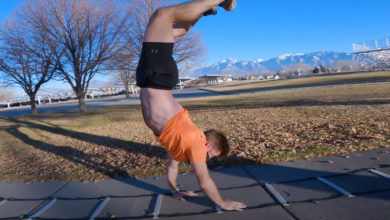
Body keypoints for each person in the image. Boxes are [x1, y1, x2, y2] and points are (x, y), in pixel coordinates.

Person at [136, 0, 246, 211]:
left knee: (172, 29)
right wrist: (222, 203)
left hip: (151, 78)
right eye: (212, 156)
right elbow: (203, 180)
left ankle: (206, 11)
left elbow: (171, 167)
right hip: (155, 77)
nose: (207, 160)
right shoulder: (196, 143)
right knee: (162, 15)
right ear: (209, 146)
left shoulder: (181, 147)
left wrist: (174, 189)